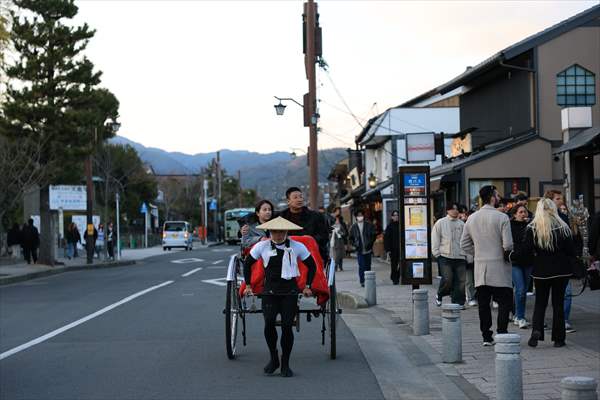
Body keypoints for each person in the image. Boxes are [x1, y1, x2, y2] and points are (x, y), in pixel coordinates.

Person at [242, 217, 317, 377]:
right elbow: (248, 263)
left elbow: (312, 265)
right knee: (269, 323)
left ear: (286, 232)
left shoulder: (297, 246)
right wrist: (248, 285)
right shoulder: (262, 246)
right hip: (269, 292)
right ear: (270, 232)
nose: (278, 234)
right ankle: (274, 357)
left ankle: (285, 363)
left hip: (290, 292)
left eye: (281, 231)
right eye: (274, 231)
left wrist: (308, 286)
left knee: (286, 326)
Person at [512, 199, 574, 348]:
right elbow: (571, 251)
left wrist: (511, 255)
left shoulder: (533, 227)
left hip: (541, 271)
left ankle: (537, 331)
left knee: (540, 303)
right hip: (561, 270)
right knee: (558, 303)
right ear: (553, 209)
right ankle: (559, 339)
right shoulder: (563, 226)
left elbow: (525, 251)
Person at [461, 185, 514, 346]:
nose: (499, 197)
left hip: (481, 267)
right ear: (492, 197)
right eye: (497, 195)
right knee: (504, 301)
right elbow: (508, 245)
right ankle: (502, 332)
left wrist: (477, 252)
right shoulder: (502, 217)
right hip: (499, 266)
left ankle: (486, 336)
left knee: (483, 304)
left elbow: (464, 243)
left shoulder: (472, 218)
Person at [544, 189, 577, 333]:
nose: (561, 201)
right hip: (546, 264)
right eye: (558, 199)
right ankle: (547, 321)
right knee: (547, 296)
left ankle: (564, 320)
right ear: (550, 201)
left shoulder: (563, 217)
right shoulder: (542, 218)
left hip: (563, 262)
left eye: (561, 199)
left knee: (566, 293)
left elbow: (570, 241)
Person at [279, 187, 330, 262]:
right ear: (288, 201)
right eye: (295, 197)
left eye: (301, 197)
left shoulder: (316, 216)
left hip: (311, 254)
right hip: (287, 255)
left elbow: (324, 236)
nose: (299, 200)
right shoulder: (281, 217)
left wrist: (308, 240)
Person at [432, 203, 467, 307]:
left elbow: (466, 240)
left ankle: (458, 302)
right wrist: (437, 253)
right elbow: (435, 238)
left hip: (460, 256)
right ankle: (440, 294)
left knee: (461, 281)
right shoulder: (440, 223)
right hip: (445, 256)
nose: (455, 211)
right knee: (447, 278)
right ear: (447, 211)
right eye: (452, 209)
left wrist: (466, 255)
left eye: (457, 209)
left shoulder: (462, 224)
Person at [510, 205, 534, 329]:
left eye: (525, 211)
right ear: (515, 214)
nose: (523, 214)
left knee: (523, 291)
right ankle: (520, 317)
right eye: (520, 212)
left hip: (528, 261)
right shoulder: (509, 225)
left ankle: (518, 314)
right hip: (515, 262)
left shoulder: (531, 226)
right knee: (520, 289)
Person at [349, 210, 376, 287]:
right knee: (361, 266)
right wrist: (355, 245)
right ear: (356, 217)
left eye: (361, 215)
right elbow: (350, 238)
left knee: (368, 265)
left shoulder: (369, 225)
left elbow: (373, 235)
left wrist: (370, 243)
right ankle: (362, 281)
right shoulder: (353, 227)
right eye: (358, 215)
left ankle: (368, 281)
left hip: (368, 249)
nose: (360, 217)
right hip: (359, 249)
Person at [459, 206, 477, 306]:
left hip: (478, 258)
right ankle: (470, 297)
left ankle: (474, 296)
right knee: (469, 280)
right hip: (467, 257)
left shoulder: (479, 227)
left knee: (477, 280)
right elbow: (463, 244)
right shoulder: (464, 226)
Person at [384, 210, 400, 284]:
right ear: (392, 217)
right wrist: (388, 250)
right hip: (393, 249)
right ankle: (394, 278)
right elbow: (387, 239)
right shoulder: (389, 226)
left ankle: (397, 275)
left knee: (402, 263)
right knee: (394, 264)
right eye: (395, 215)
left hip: (401, 248)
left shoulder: (402, 225)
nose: (396, 217)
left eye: (397, 215)